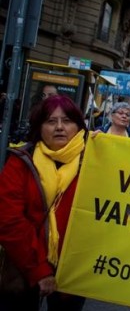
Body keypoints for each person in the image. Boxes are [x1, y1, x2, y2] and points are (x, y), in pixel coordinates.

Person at [0, 95, 87, 310]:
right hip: (23, 268)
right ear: (39, 127)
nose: (59, 127)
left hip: (73, 273)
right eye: (50, 121)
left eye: (67, 121)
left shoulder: (93, 162)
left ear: (78, 126)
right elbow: (9, 220)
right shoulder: (20, 161)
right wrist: (38, 270)